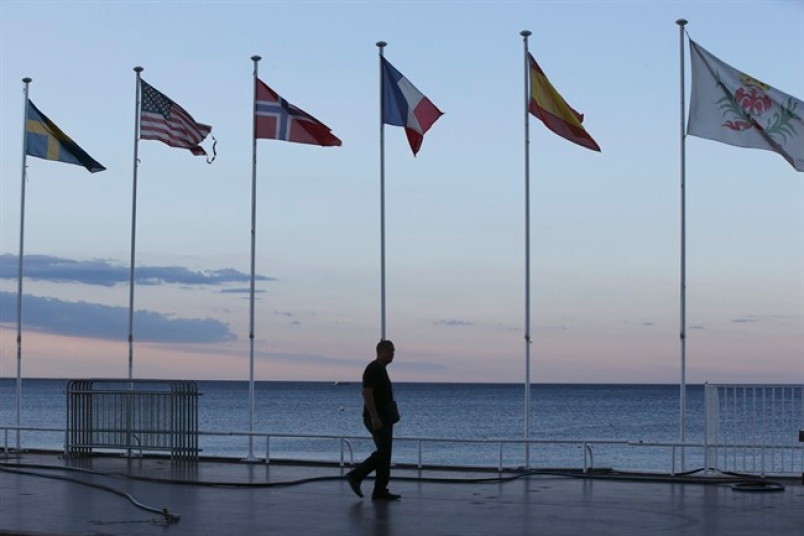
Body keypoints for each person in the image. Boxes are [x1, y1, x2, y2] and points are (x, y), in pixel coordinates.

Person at [345, 339, 401, 500]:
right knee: (383, 452)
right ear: (381, 351)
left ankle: (380, 490)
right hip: (376, 418)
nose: (392, 354)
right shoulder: (373, 368)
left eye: (393, 351)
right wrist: (375, 417)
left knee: (386, 453)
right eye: (390, 350)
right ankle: (356, 475)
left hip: (385, 418)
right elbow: (366, 393)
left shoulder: (381, 369)